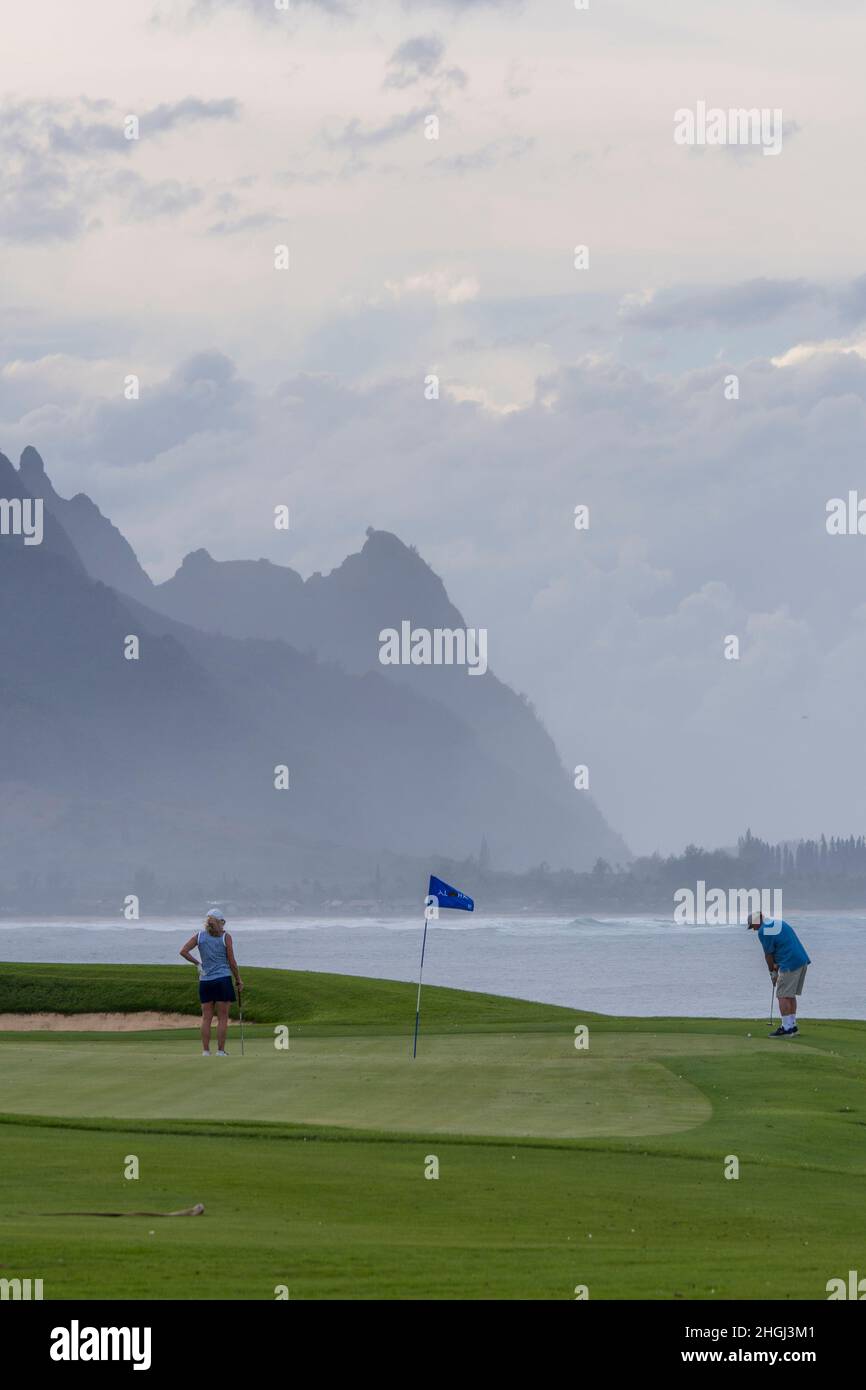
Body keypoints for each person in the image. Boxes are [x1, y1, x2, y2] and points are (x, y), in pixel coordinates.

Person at [180, 909, 243, 1056]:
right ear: (220, 922)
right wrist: (238, 979)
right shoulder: (225, 937)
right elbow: (232, 962)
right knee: (222, 1018)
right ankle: (220, 1051)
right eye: (223, 922)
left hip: (205, 981)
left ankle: (206, 1051)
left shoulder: (200, 936)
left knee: (206, 1018)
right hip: (222, 980)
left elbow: (183, 951)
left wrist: (198, 964)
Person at [747, 910, 810, 1037]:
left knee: (782, 995)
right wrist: (776, 968)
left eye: (752, 926)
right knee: (790, 995)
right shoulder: (778, 922)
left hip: (790, 963)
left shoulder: (763, 930)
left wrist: (772, 973)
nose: (753, 930)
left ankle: (786, 1028)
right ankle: (792, 1026)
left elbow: (768, 955)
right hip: (801, 960)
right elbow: (779, 947)